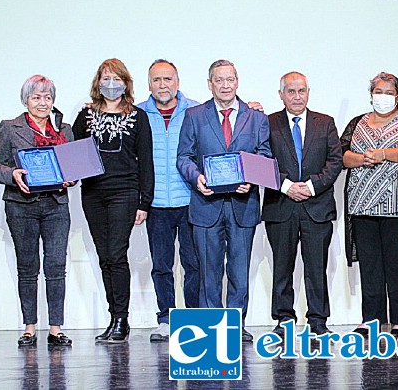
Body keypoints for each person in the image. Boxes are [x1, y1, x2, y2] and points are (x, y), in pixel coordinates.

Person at [177, 59, 271, 342]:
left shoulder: (256, 118)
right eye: (219, 80)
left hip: (243, 206)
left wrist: (251, 178)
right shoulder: (194, 115)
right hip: (206, 205)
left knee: (239, 272)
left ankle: (234, 325)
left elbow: (265, 155)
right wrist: (197, 178)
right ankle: (210, 328)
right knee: (208, 272)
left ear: (237, 82)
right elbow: (183, 157)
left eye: (230, 79)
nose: (225, 85)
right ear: (210, 84)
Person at [0, 75, 75, 347]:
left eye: (48, 98)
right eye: (36, 97)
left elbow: (73, 168)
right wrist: (12, 173)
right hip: (21, 206)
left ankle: (56, 328)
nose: (42, 103)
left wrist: (72, 177)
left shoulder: (65, 129)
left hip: (56, 205)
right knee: (27, 267)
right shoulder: (9, 127)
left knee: (56, 266)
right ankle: (29, 327)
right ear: (25, 99)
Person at [73, 58, 154, 344]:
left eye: (116, 78)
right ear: (98, 82)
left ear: (125, 83)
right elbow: (74, 154)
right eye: (105, 78)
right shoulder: (85, 116)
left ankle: (122, 318)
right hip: (93, 193)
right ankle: (113, 317)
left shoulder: (138, 116)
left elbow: (146, 160)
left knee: (117, 254)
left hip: (125, 191)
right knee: (104, 256)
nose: (111, 83)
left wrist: (145, 202)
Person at [262, 72, 341, 337]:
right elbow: (262, 160)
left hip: (316, 206)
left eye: (302, 91)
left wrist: (310, 186)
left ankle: (318, 321)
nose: (297, 97)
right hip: (280, 206)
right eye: (291, 91)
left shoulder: (325, 123)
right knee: (282, 267)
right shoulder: (267, 123)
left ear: (308, 92)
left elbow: (335, 161)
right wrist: (286, 186)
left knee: (316, 268)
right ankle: (284, 319)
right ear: (281, 94)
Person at [341, 72, 398, 338]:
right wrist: (362, 158)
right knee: (370, 265)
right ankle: (371, 318)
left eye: (388, 92)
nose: (382, 97)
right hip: (361, 204)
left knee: (397, 264)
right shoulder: (357, 122)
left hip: (396, 205)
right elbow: (342, 155)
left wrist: (385, 154)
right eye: (378, 91)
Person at [136, 60, 200, 342]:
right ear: (149, 84)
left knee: (193, 264)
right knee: (161, 265)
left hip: (191, 200)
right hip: (156, 204)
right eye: (157, 80)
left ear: (178, 81)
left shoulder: (197, 111)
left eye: (168, 79)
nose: (163, 85)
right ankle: (166, 318)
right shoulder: (137, 114)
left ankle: (195, 319)